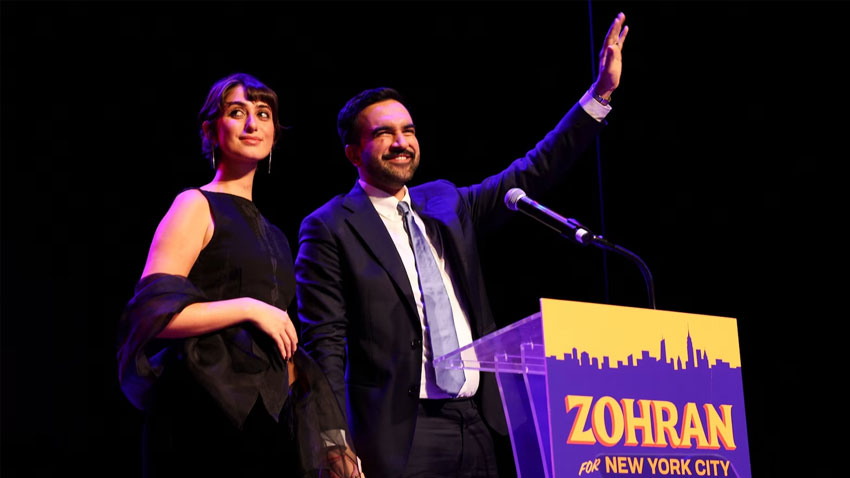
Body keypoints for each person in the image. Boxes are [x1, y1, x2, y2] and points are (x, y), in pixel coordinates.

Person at [294, 13, 629, 478]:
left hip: (476, 421)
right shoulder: (329, 227)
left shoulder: (446, 202)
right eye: (383, 133)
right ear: (353, 152)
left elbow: (532, 170)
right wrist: (332, 441)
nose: (401, 143)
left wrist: (599, 96)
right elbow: (324, 342)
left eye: (408, 131)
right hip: (400, 432)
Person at [116, 73, 360, 478]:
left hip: (266, 418)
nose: (252, 123)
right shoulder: (194, 205)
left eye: (263, 114)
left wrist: (334, 444)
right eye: (237, 112)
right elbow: (152, 315)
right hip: (202, 412)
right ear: (211, 131)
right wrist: (248, 307)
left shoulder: (278, 235)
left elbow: (282, 342)